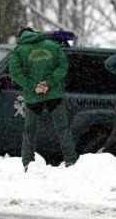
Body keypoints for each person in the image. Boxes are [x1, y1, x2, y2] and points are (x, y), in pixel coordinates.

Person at [9, 27, 78, 171]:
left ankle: (27, 161)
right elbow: (63, 65)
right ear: (35, 33)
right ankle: (70, 160)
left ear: (21, 36)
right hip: (53, 93)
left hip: (33, 96)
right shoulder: (52, 45)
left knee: (30, 130)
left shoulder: (19, 50)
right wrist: (49, 82)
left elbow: (15, 72)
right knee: (62, 128)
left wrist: (32, 86)